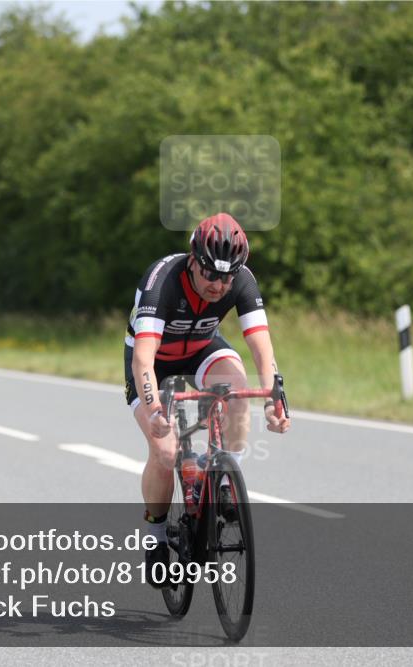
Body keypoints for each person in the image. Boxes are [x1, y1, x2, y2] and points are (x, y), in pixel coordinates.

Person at [124, 213, 291, 587]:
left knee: (237, 387)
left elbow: (262, 348)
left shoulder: (242, 281)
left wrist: (274, 398)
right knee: (165, 451)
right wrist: (154, 411)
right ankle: (155, 539)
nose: (219, 285)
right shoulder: (162, 281)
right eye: (211, 275)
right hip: (154, 365)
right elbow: (143, 359)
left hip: (202, 349)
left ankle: (226, 479)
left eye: (227, 276)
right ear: (194, 260)